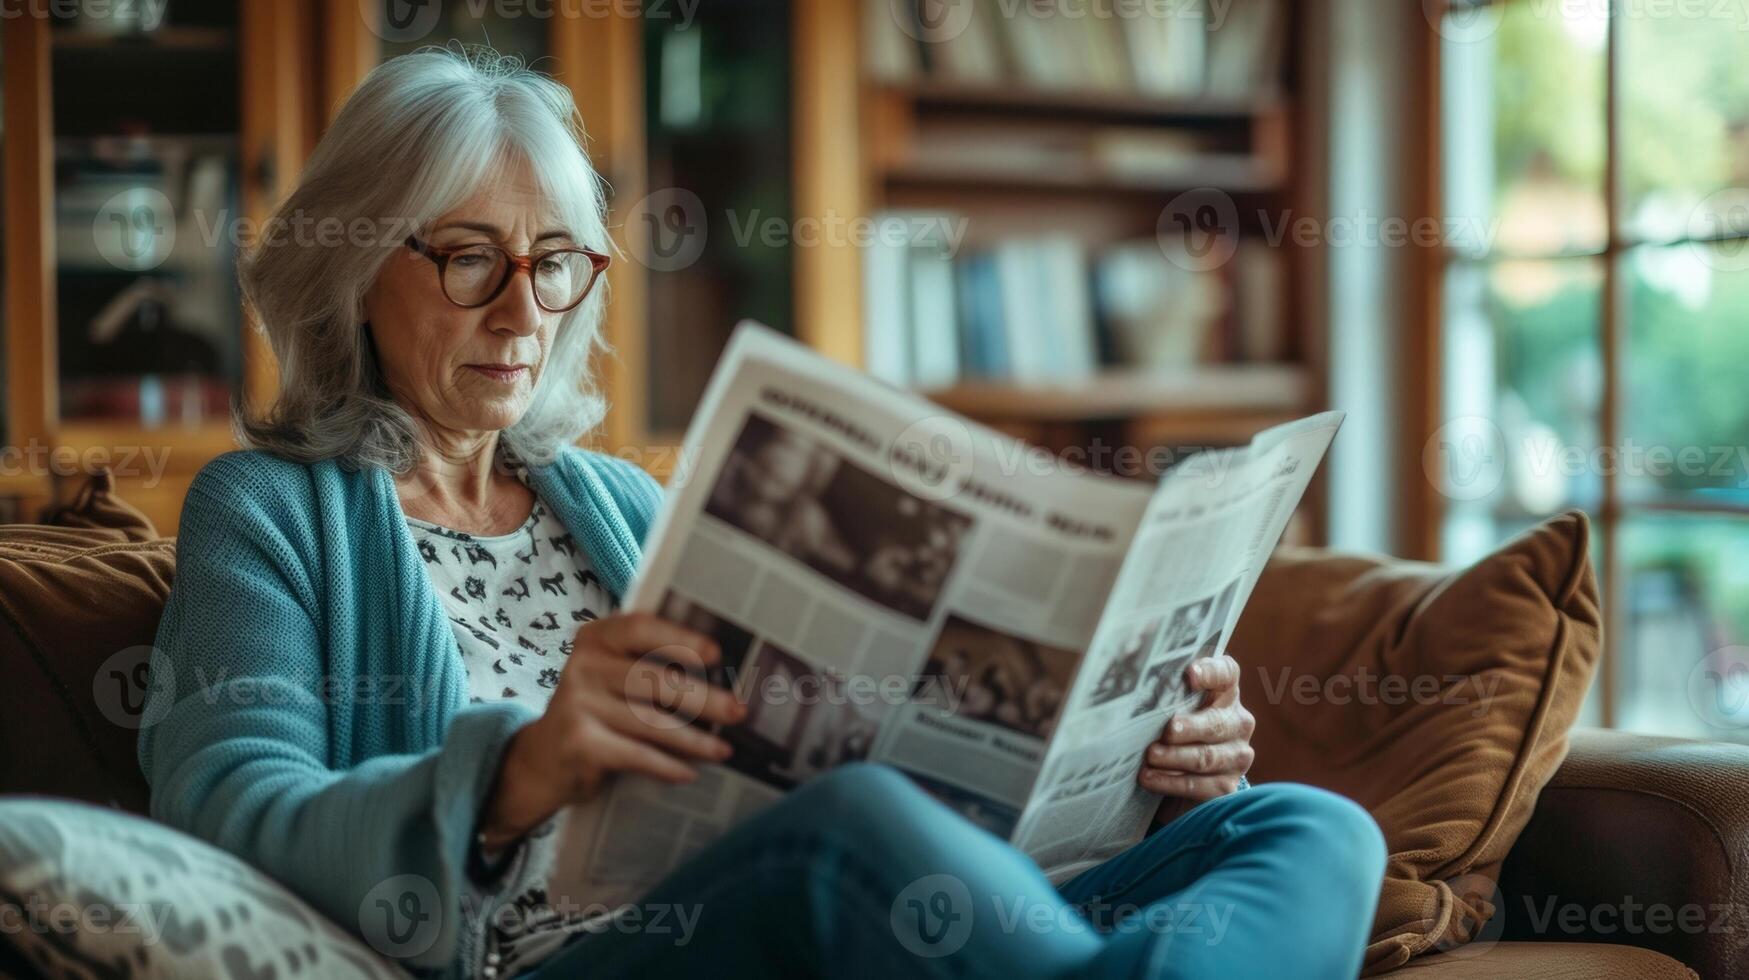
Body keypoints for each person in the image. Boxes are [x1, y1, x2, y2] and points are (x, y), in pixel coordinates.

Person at [138, 46, 1386, 980]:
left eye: (557, 261)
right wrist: (521, 773)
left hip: (817, 927)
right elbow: (226, 810)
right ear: (353, 269)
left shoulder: (620, 502)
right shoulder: (269, 511)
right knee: (847, 830)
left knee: (1304, 825)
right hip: (577, 953)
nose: (524, 311)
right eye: (469, 257)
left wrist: (1138, 761)